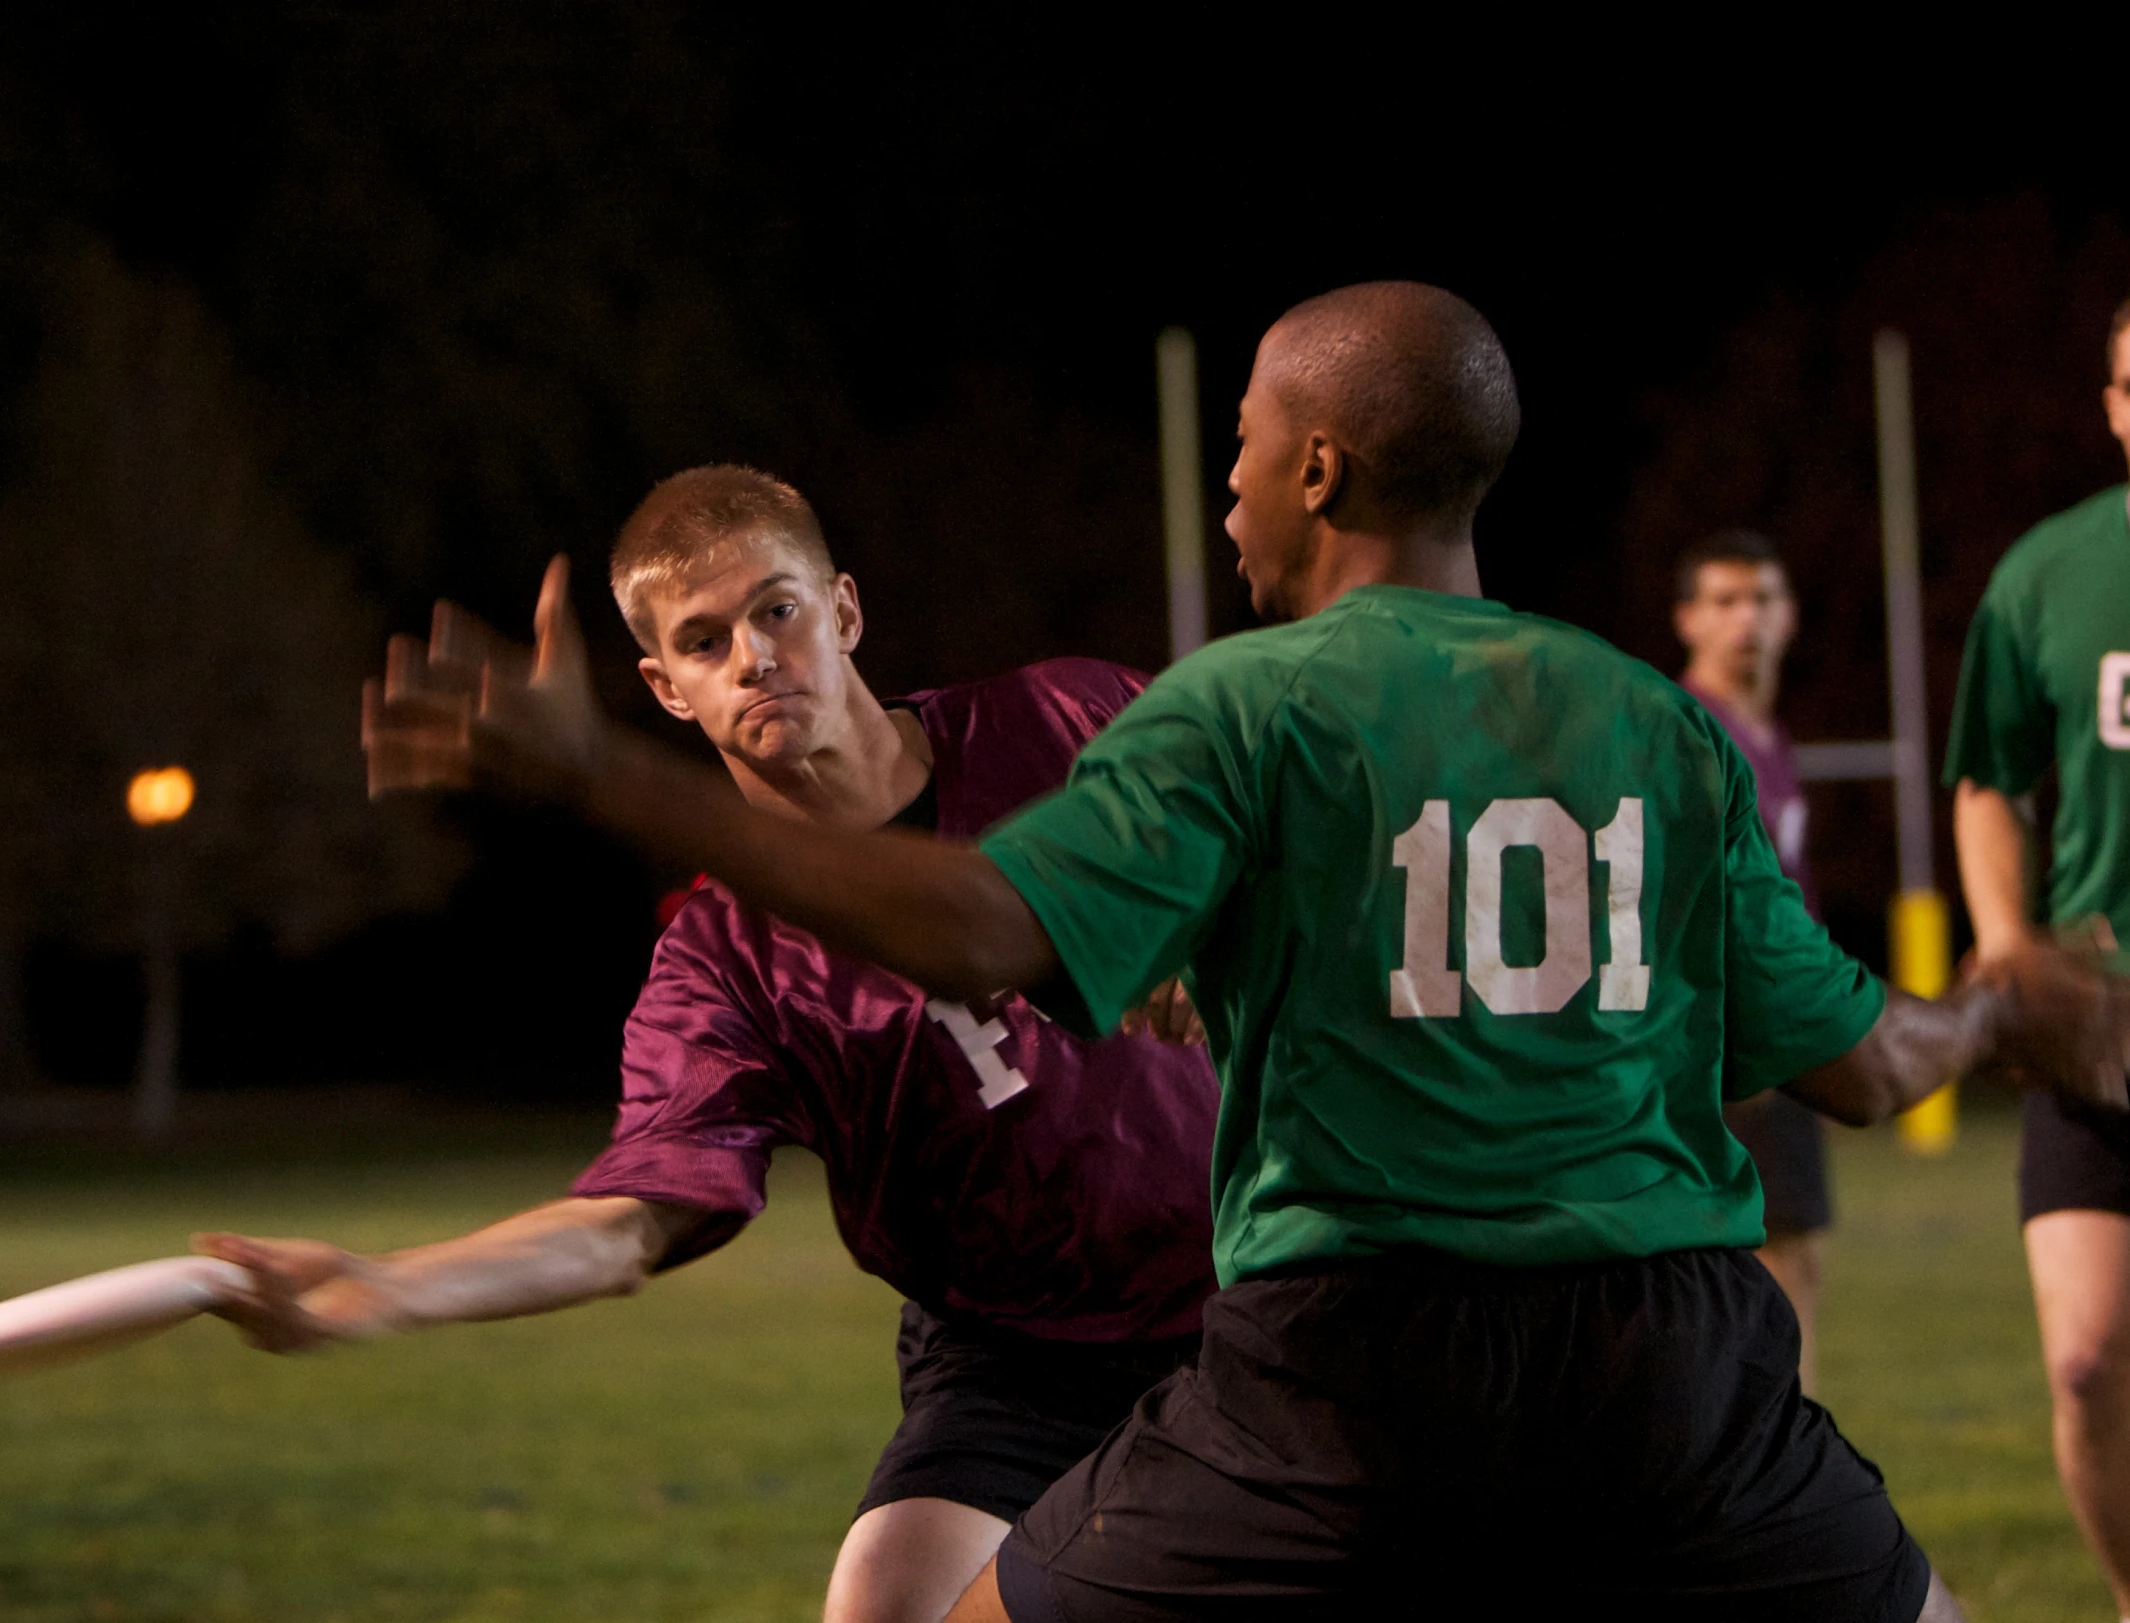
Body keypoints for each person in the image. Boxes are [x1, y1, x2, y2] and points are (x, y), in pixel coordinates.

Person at [370, 285, 2130, 1622]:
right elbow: (1864, 1061)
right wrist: (2001, 992)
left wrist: (602, 773)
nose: (1223, 490)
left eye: (1237, 448)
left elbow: (985, 922)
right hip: (1665, 1360)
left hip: (1348, 1361)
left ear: (1315, 467)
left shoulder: (1239, 705)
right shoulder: (1652, 723)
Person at [202, 466, 1222, 1623]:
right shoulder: (723, 959)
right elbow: (629, 1222)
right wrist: (383, 1287)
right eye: (703, 639)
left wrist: (1215, 923)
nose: (752, 655)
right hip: (1012, 1358)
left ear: (841, 612)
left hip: (1248, 1289)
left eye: (775, 610)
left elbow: (1294, 844)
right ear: (667, 688)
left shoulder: (1070, 717)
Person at [1946, 293, 2130, 1619]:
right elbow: (1984, 780)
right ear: (2113, 404)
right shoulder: (2047, 573)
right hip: (2097, 1018)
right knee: (2081, 1360)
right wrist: (2007, 939)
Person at [1673, 529, 1833, 1390]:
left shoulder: (1766, 734)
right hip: (1735, 1043)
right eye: (1725, 600)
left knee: (1797, 1259)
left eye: (1762, 598)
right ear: (1687, 619)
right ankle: (1782, 1466)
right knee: (1750, 1275)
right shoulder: (1690, 732)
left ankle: (1797, 1451)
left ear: (1789, 616)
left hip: (1783, 1032)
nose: (1747, 619)